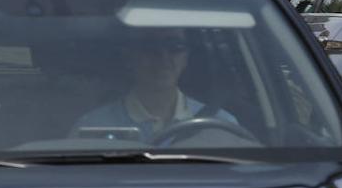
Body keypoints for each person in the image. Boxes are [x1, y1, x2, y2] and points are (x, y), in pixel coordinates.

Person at [73, 28, 238, 142]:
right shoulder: (93, 126)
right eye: (149, 47)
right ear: (129, 57)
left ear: (186, 58)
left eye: (174, 47)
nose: (162, 57)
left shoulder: (220, 125)